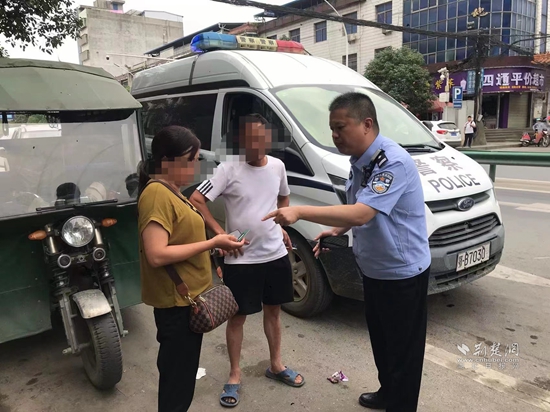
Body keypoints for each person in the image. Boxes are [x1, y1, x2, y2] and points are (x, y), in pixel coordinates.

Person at [263, 93, 431, 412]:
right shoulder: (360, 161)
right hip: (374, 269)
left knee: (404, 351)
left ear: (366, 124)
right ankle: (388, 393)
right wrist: (337, 230)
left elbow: (363, 213)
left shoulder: (391, 162)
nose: (335, 135)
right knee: (382, 340)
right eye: (332, 129)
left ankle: (401, 404)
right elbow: (360, 207)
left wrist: (299, 212)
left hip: (401, 273)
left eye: (340, 127)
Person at [189, 113, 305, 408]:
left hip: (275, 254)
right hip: (241, 259)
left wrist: (280, 224)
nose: (255, 145)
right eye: (249, 140)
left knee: (274, 311)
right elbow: (196, 199)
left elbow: (283, 199)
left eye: (260, 139)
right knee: (237, 317)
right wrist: (219, 235)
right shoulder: (228, 169)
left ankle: (276, 364)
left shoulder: (278, 166)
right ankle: (235, 373)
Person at [137, 125, 245, 412]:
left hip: (188, 301)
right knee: (177, 384)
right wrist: (211, 243)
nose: (196, 167)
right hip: (176, 304)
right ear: (169, 161)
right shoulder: (156, 194)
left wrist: (216, 247)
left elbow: (181, 239)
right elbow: (156, 254)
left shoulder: (172, 190)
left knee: (182, 379)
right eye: (192, 160)